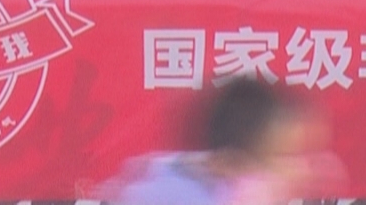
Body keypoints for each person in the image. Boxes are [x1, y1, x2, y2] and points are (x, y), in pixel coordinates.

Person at [98, 77, 340, 205]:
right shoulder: (160, 191)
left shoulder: (161, 171)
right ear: (234, 163)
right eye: (280, 156)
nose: (299, 166)